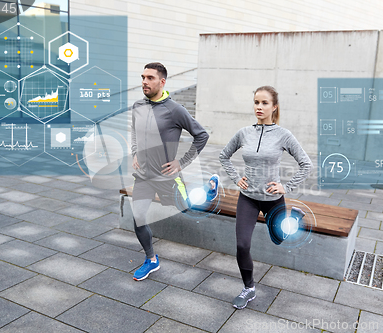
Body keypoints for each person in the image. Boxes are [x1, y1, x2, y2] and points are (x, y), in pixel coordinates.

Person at [219, 86, 313, 309]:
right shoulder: (244, 133)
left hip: (272, 199)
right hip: (248, 198)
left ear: (274, 107)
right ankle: (248, 288)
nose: (259, 107)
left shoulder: (283, 135)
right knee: (242, 245)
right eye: (256, 102)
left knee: (280, 239)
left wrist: (286, 187)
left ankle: (295, 217)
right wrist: (236, 178)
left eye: (264, 103)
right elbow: (224, 156)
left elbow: (306, 164)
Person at [131, 62, 214, 281]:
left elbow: (202, 135)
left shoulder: (174, 110)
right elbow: (134, 131)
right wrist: (134, 153)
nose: (144, 82)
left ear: (162, 82)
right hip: (143, 177)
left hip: (167, 176)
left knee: (190, 210)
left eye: (150, 78)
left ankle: (210, 191)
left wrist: (182, 162)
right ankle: (151, 259)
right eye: (143, 77)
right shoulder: (137, 106)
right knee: (138, 217)